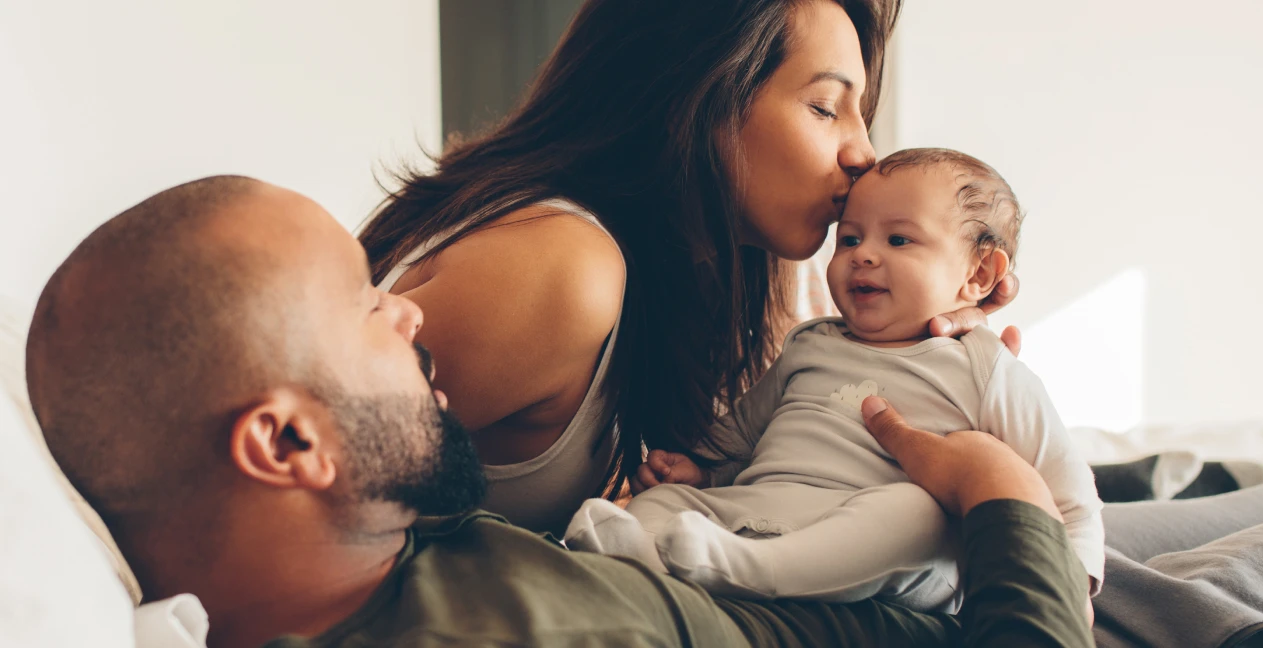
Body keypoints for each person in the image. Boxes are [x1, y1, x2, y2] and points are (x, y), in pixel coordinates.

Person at [27, 177, 1097, 647]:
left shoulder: (386, 548)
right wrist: (996, 490)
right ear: (288, 442)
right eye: (366, 305)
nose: (410, 312)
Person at [356, 0, 1021, 537]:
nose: (864, 154)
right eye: (824, 107)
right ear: (695, 95)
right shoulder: (559, 269)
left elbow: (769, 483)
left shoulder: (714, 271)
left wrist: (918, 353)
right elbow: (296, 490)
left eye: (861, 116)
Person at [564, 149, 1102, 613]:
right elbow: (743, 434)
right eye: (848, 239)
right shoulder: (810, 341)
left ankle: (748, 569)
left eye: (898, 239)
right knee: (669, 504)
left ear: (978, 275)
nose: (862, 254)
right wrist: (696, 469)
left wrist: (1072, 583)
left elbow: (1067, 490)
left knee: (916, 512)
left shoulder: (983, 367)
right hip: (764, 508)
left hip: (875, 544)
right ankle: (637, 551)